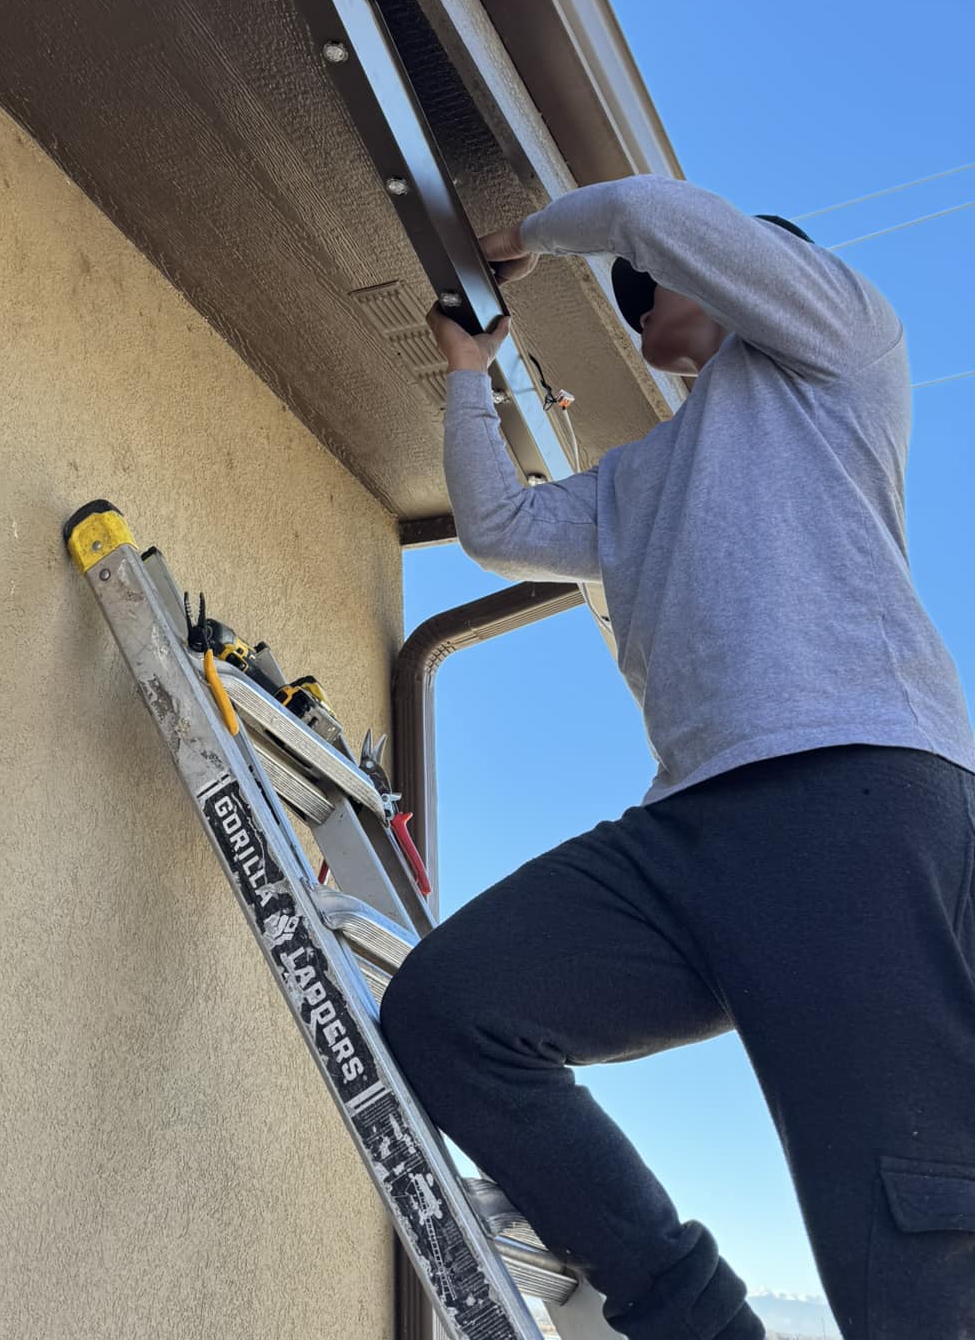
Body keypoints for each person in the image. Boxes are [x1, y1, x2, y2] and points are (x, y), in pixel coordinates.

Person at [379, 174, 975, 1340]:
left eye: (664, 276)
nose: (643, 291)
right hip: (685, 839)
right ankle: (694, 1319)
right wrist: (468, 377)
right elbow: (502, 526)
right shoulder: (639, 478)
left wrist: (524, 240)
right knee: (451, 1009)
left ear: (758, 275)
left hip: (850, 794)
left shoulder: (842, 355)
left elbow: (655, 209)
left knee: (910, 1239)